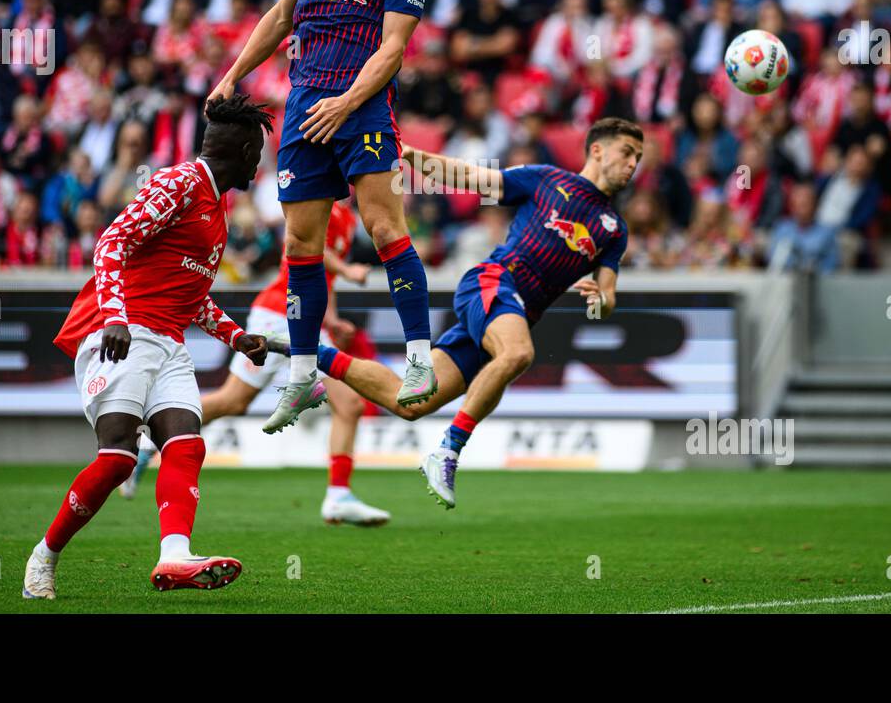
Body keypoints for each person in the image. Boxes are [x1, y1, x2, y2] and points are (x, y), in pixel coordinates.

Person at [268, 117, 641, 509]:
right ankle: (447, 451)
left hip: (509, 315)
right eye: (627, 153)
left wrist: (601, 299)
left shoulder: (614, 230)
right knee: (518, 354)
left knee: (409, 403)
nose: (634, 164)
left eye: (639, 157)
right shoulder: (547, 180)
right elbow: (475, 178)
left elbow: (609, 294)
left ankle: (303, 350)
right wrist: (416, 157)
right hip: (493, 283)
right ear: (597, 150)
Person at [207, 0, 433, 429]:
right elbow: (280, 18)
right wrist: (232, 76)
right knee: (299, 245)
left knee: (384, 227)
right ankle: (304, 375)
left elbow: (393, 50)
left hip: (360, 109)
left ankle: (418, 359)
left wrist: (348, 101)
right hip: (306, 104)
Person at [24, 94, 272, 600]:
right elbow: (112, 243)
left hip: (169, 342)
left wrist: (237, 337)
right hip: (123, 331)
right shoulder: (178, 183)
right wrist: (115, 318)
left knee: (186, 442)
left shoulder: (216, 211)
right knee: (117, 458)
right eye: (258, 150)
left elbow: (194, 296)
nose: (261, 161)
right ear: (244, 150)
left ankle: (175, 555)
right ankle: (43, 558)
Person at [121, 199, 391, 526]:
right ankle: (151, 438)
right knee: (233, 401)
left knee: (348, 404)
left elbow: (321, 278)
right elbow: (307, 250)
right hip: (280, 314)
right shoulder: (319, 203)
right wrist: (348, 269)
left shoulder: (346, 219)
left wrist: (331, 320)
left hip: (305, 320)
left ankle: (338, 495)